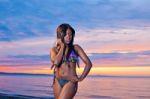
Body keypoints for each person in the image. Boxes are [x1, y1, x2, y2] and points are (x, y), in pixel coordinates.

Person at [50, 23, 92, 99]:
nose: (68, 37)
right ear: (60, 35)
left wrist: (81, 78)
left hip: (70, 82)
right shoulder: (54, 50)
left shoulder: (76, 48)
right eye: (66, 34)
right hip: (57, 81)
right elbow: (56, 62)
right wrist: (62, 46)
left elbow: (88, 64)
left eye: (70, 35)